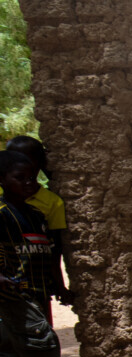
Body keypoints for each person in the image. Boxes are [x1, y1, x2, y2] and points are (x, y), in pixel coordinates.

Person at [0, 150, 75, 357]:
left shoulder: (36, 215)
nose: (29, 182)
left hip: (38, 289)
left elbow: (49, 253)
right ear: (2, 180)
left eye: (32, 177)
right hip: (13, 291)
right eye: (20, 177)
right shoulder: (2, 215)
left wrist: (59, 286)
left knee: (15, 349)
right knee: (42, 339)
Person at [6, 136, 72, 325]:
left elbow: (55, 249)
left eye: (25, 159)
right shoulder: (3, 202)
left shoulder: (51, 203)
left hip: (38, 285)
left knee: (40, 333)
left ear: (40, 163)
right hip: (6, 286)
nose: (18, 164)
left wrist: (59, 285)